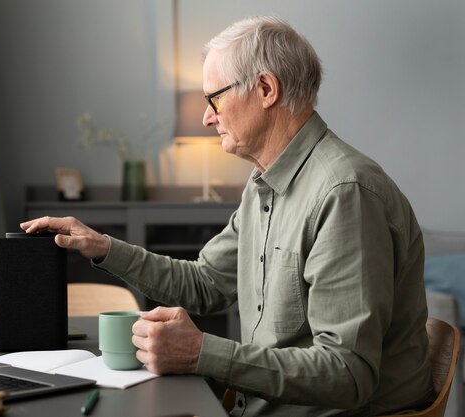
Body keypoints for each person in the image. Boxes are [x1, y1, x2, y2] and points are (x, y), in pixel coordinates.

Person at [22, 16, 434, 416]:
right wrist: (102, 246)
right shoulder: (264, 184)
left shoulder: (344, 194)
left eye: (213, 97)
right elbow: (205, 283)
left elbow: (347, 375)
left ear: (266, 89)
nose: (206, 116)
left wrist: (201, 352)